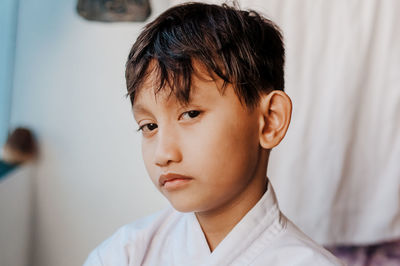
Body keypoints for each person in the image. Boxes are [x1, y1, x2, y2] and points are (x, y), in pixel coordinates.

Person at [84, 3, 343, 265]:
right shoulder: (123, 254)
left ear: (269, 121)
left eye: (191, 114)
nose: (163, 154)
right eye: (149, 126)